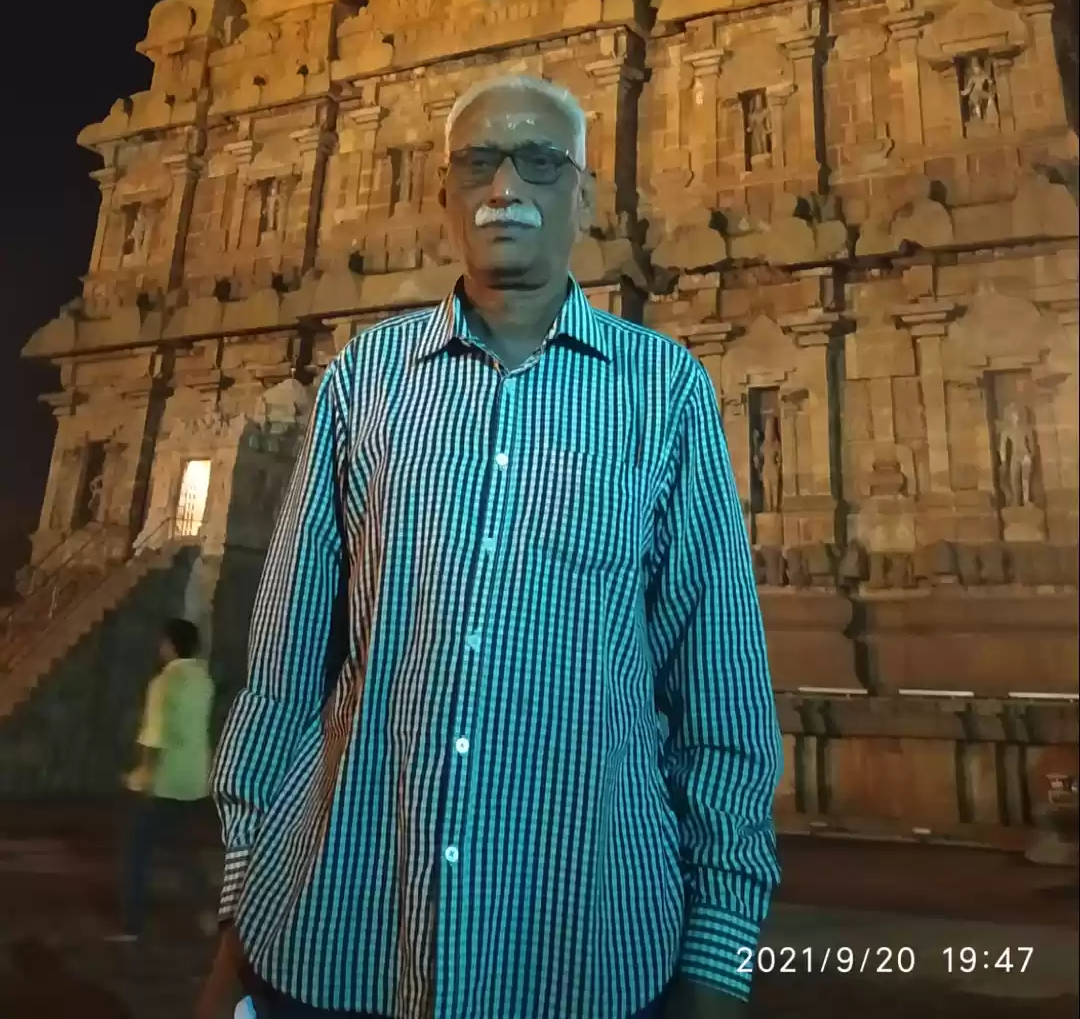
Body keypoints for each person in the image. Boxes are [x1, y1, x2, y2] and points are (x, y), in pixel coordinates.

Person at [198, 74, 781, 1019]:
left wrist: (717, 960)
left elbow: (719, 693)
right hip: (331, 946)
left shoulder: (663, 394)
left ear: (583, 198)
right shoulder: (365, 383)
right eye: (478, 162)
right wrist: (237, 928)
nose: (505, 185)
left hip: (579, 952)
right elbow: (286, 670)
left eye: (541, 162)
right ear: (445, 195)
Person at [110, 616, 215, 943]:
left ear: (170, 645)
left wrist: (142, 773)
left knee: (139, 850)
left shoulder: (163, 684)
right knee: (180, 847)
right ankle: (208, 912)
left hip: (166, 777)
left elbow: (154, 736)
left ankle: (132, 925)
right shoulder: (204, 681)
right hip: (195, 775)